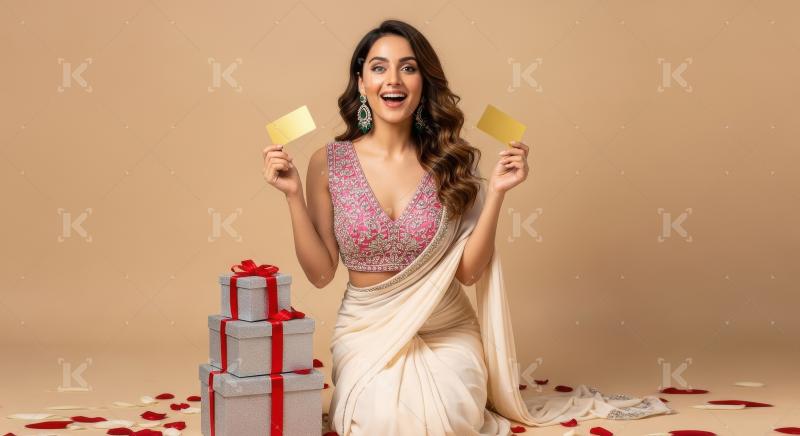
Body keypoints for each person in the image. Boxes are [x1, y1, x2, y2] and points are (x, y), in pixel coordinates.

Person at [263, 19, 671, 436]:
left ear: (424, 81)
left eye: (408, 67)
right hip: (367, 331)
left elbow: (469, 273)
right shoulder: (326, 162)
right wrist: (293, 195)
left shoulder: (453, 162)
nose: (394, 79)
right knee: (381, 421)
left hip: (446, 327)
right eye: (379, 67)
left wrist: (496, 192)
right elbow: (321, 273)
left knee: (449, 419)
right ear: (361, 80)